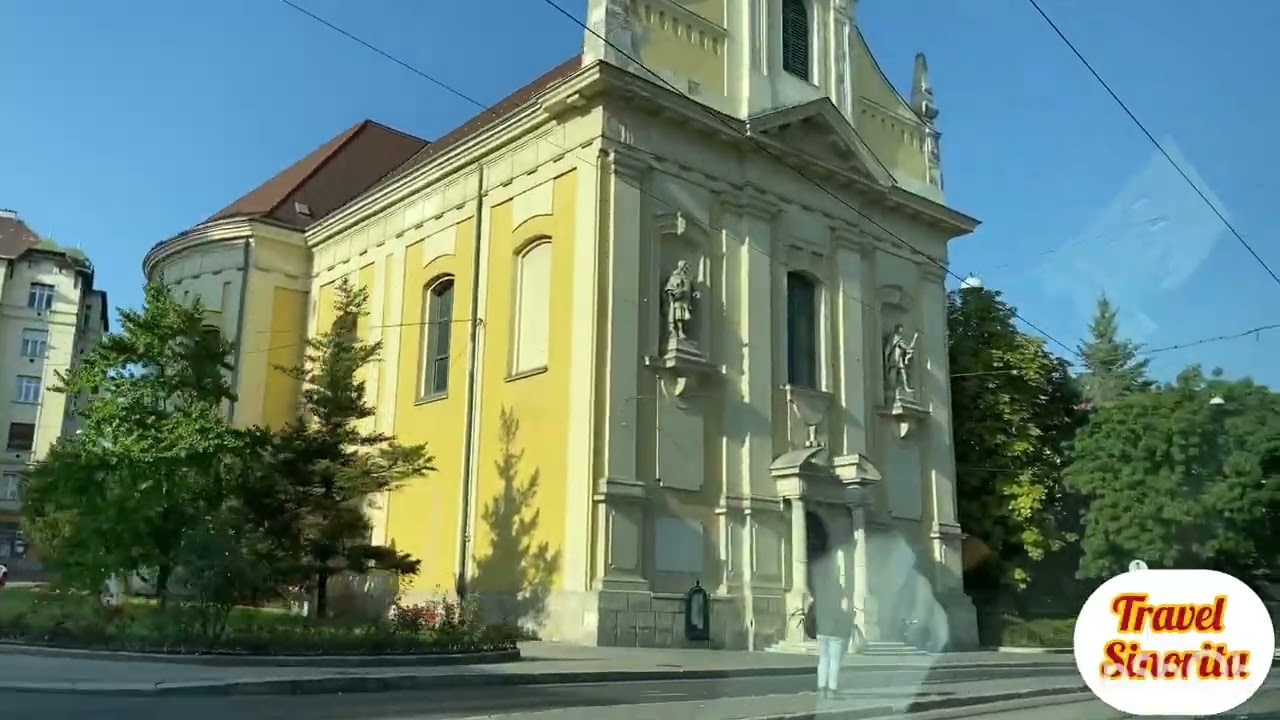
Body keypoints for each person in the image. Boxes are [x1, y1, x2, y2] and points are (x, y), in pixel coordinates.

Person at [809, 555, 854, 698]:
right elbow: (845, 610)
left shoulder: (820, 590)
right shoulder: (839, 590)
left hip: (822, 630)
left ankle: (821, 688)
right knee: (834, 661)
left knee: (823, 659)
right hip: (836, 631)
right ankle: (832, 690)